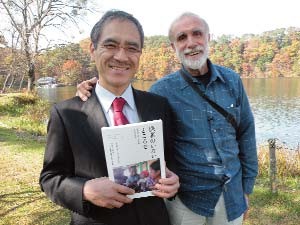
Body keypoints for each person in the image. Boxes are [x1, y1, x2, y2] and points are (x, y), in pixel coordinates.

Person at [76, 12, 258, 225]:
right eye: (181, 38)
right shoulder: (162, 90)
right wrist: (95, 87)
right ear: (173, 47)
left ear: (208, 38)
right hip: (186, 200)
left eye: (197, 34)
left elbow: (246, 133)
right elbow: (127, 104)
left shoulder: (232, 81)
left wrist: (247, 189)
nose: (191, 43)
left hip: (232, 196)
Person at [39, 10, 179, 225]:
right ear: (93, 50)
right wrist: (85, 190)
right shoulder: (66, 114)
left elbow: (171, 162)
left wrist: (173, 182)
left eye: (132, 48)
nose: (121, 56)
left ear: (140, 54)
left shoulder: (158, 106)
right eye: (111, 45)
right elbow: (50, 178)